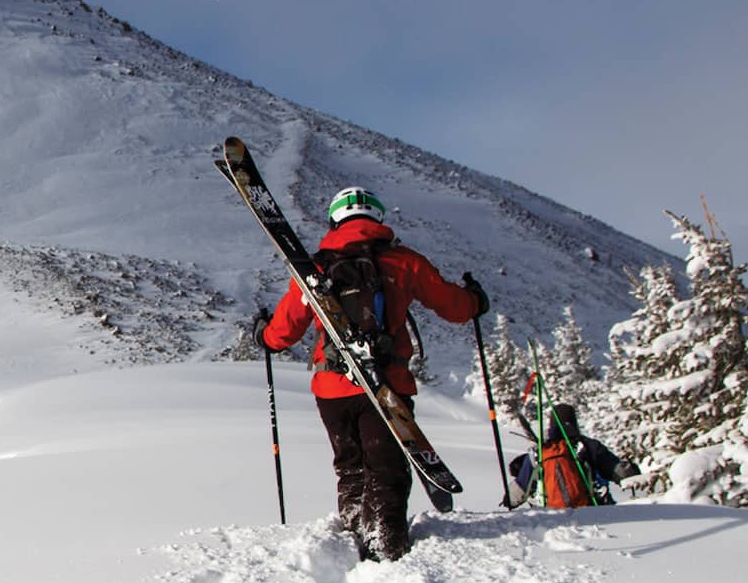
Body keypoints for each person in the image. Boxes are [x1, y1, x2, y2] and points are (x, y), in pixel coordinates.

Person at [257, 185, 488, 561]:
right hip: (386, 387)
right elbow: (456, 308)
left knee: (351, 467)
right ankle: (385, 548)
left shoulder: (313, 268)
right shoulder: (404, 262)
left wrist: (262, 334)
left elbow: (282, 333)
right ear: (378, 218)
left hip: (331, 388)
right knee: (386, 469)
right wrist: (476, 299)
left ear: (335, 219)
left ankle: (351, 538)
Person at [505, 403, 640, 509]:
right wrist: (631, 470)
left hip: (550, 514)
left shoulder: (540, 451)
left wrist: (508, 501)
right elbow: (618, 471)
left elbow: (521, 487)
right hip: (592, 509)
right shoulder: (588, 446)